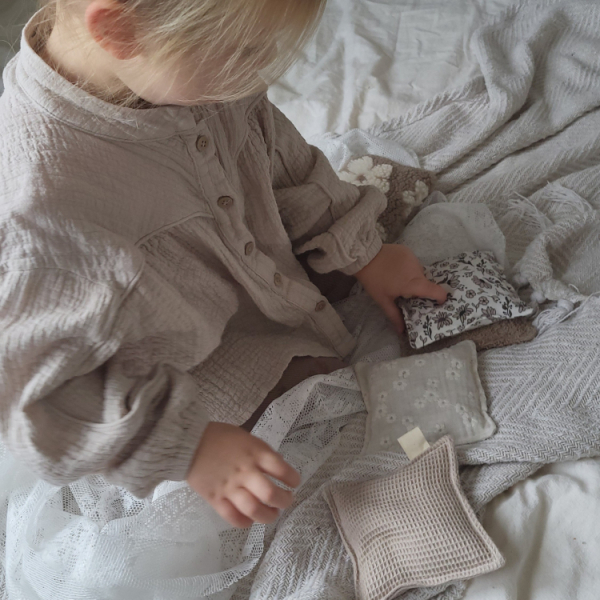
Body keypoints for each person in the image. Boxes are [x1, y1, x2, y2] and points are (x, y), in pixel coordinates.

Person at [0, 0, 446, 529]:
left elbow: (277, 157)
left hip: (269, 278)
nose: (258, 71)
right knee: (312, 464)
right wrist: (189, 445)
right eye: (244, 50)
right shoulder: (41, 209)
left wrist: (361, 249)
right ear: (119, 30)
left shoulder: (194, 76)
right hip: (184, 383)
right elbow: (39, 397)